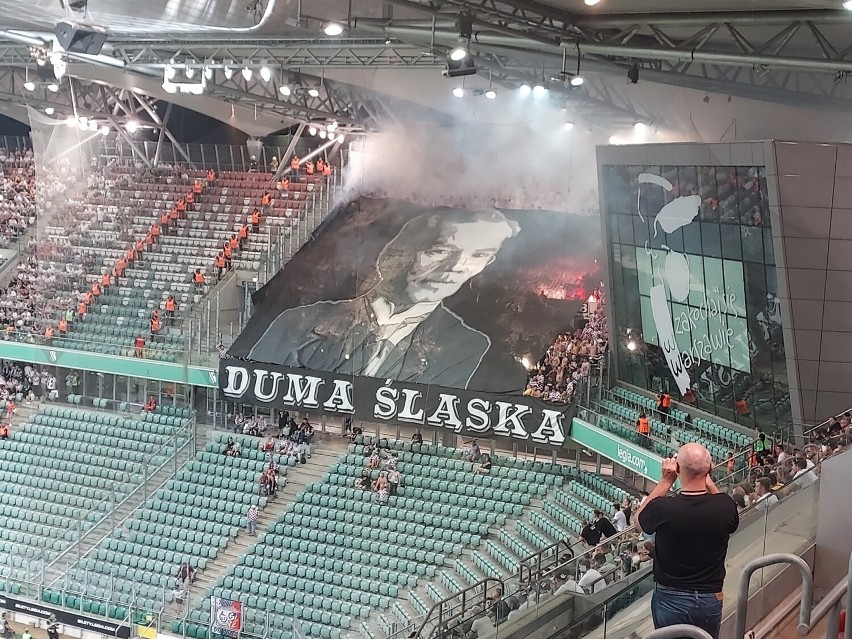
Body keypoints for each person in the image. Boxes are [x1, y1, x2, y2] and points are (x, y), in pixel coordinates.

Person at [235, 209, 519, 388]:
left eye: (478, 256)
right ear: (405, 253)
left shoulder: (465, 345)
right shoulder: (298, 321)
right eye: (440, 251)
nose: (453, 270)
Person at [635, 443, 739, 639]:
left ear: (678, 469)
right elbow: (727, 509)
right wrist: (707, 479)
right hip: (710, 597)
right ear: (710, 469)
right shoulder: (725, 506)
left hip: (670, 597)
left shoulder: (664, 508)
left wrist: (665, 482)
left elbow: (638, 522)